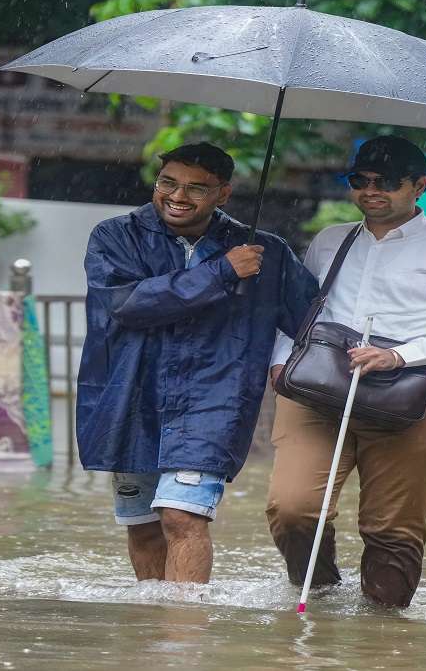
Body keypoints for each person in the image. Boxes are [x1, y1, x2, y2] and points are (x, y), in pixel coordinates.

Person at [265, 135, 426, 607]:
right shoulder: (332, 240)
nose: (372, 190)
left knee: (391, 529)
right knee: (293, 510)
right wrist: (279, 361)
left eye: (387, 182)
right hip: (320, 390)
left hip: (415, 396)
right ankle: (322, 599)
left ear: (420, 186)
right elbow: (302, 312)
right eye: (361, 180)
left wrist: (399, 355)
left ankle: (384, 636)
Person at [77, 142, 317, 583]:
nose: (178, 196)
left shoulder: (265, 252)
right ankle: (151, 632)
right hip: (132, 397)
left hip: (215, 400)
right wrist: (222, 272)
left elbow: (312, 322)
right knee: (145, 528)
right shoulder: (115, 237)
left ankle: (182, 645)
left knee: (182, 518)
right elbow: (128, 303)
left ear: (223, 194)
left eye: (196, 188)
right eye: (168, 182)